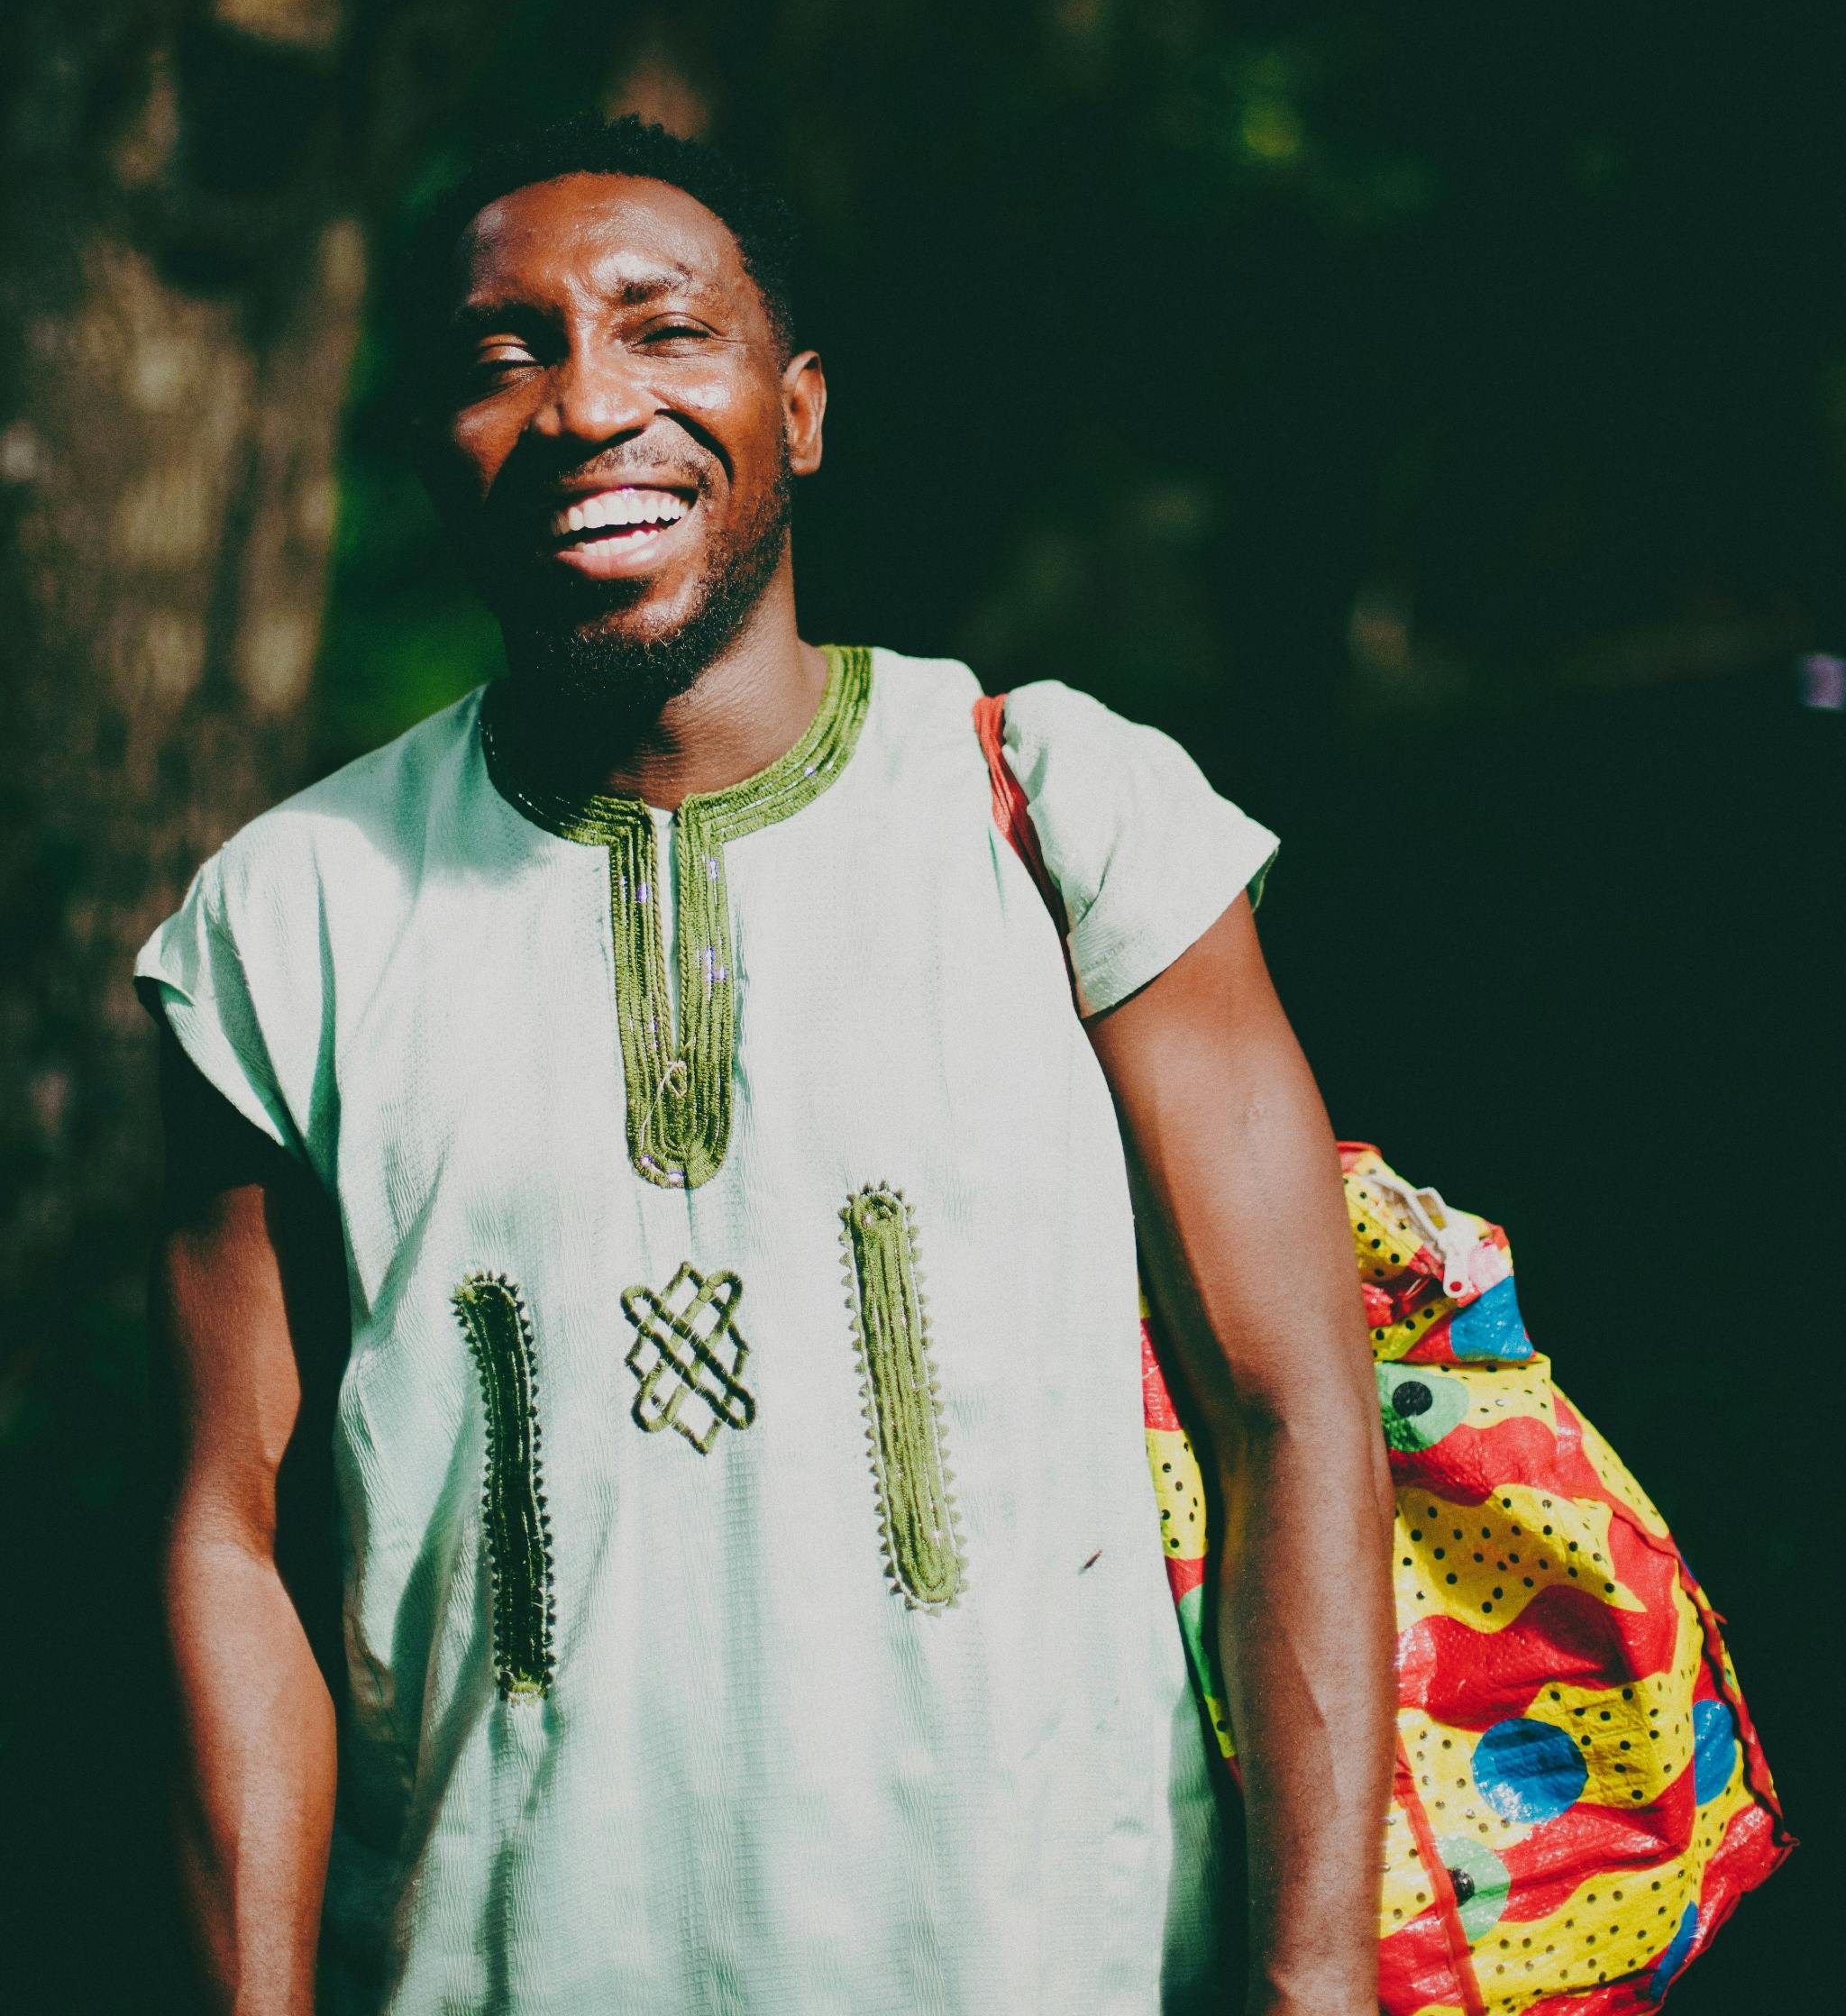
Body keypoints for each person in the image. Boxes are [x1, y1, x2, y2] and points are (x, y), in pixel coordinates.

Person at [142, 111, 1394, 2016]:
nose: (585, 404)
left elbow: (1293, 1414)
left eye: (663, 330)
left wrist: (1312, 1984)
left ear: (797, 410)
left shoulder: (1061, 815)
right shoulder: (289, 920)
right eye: (508, 356)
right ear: (436, 448)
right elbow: (229, 1526)